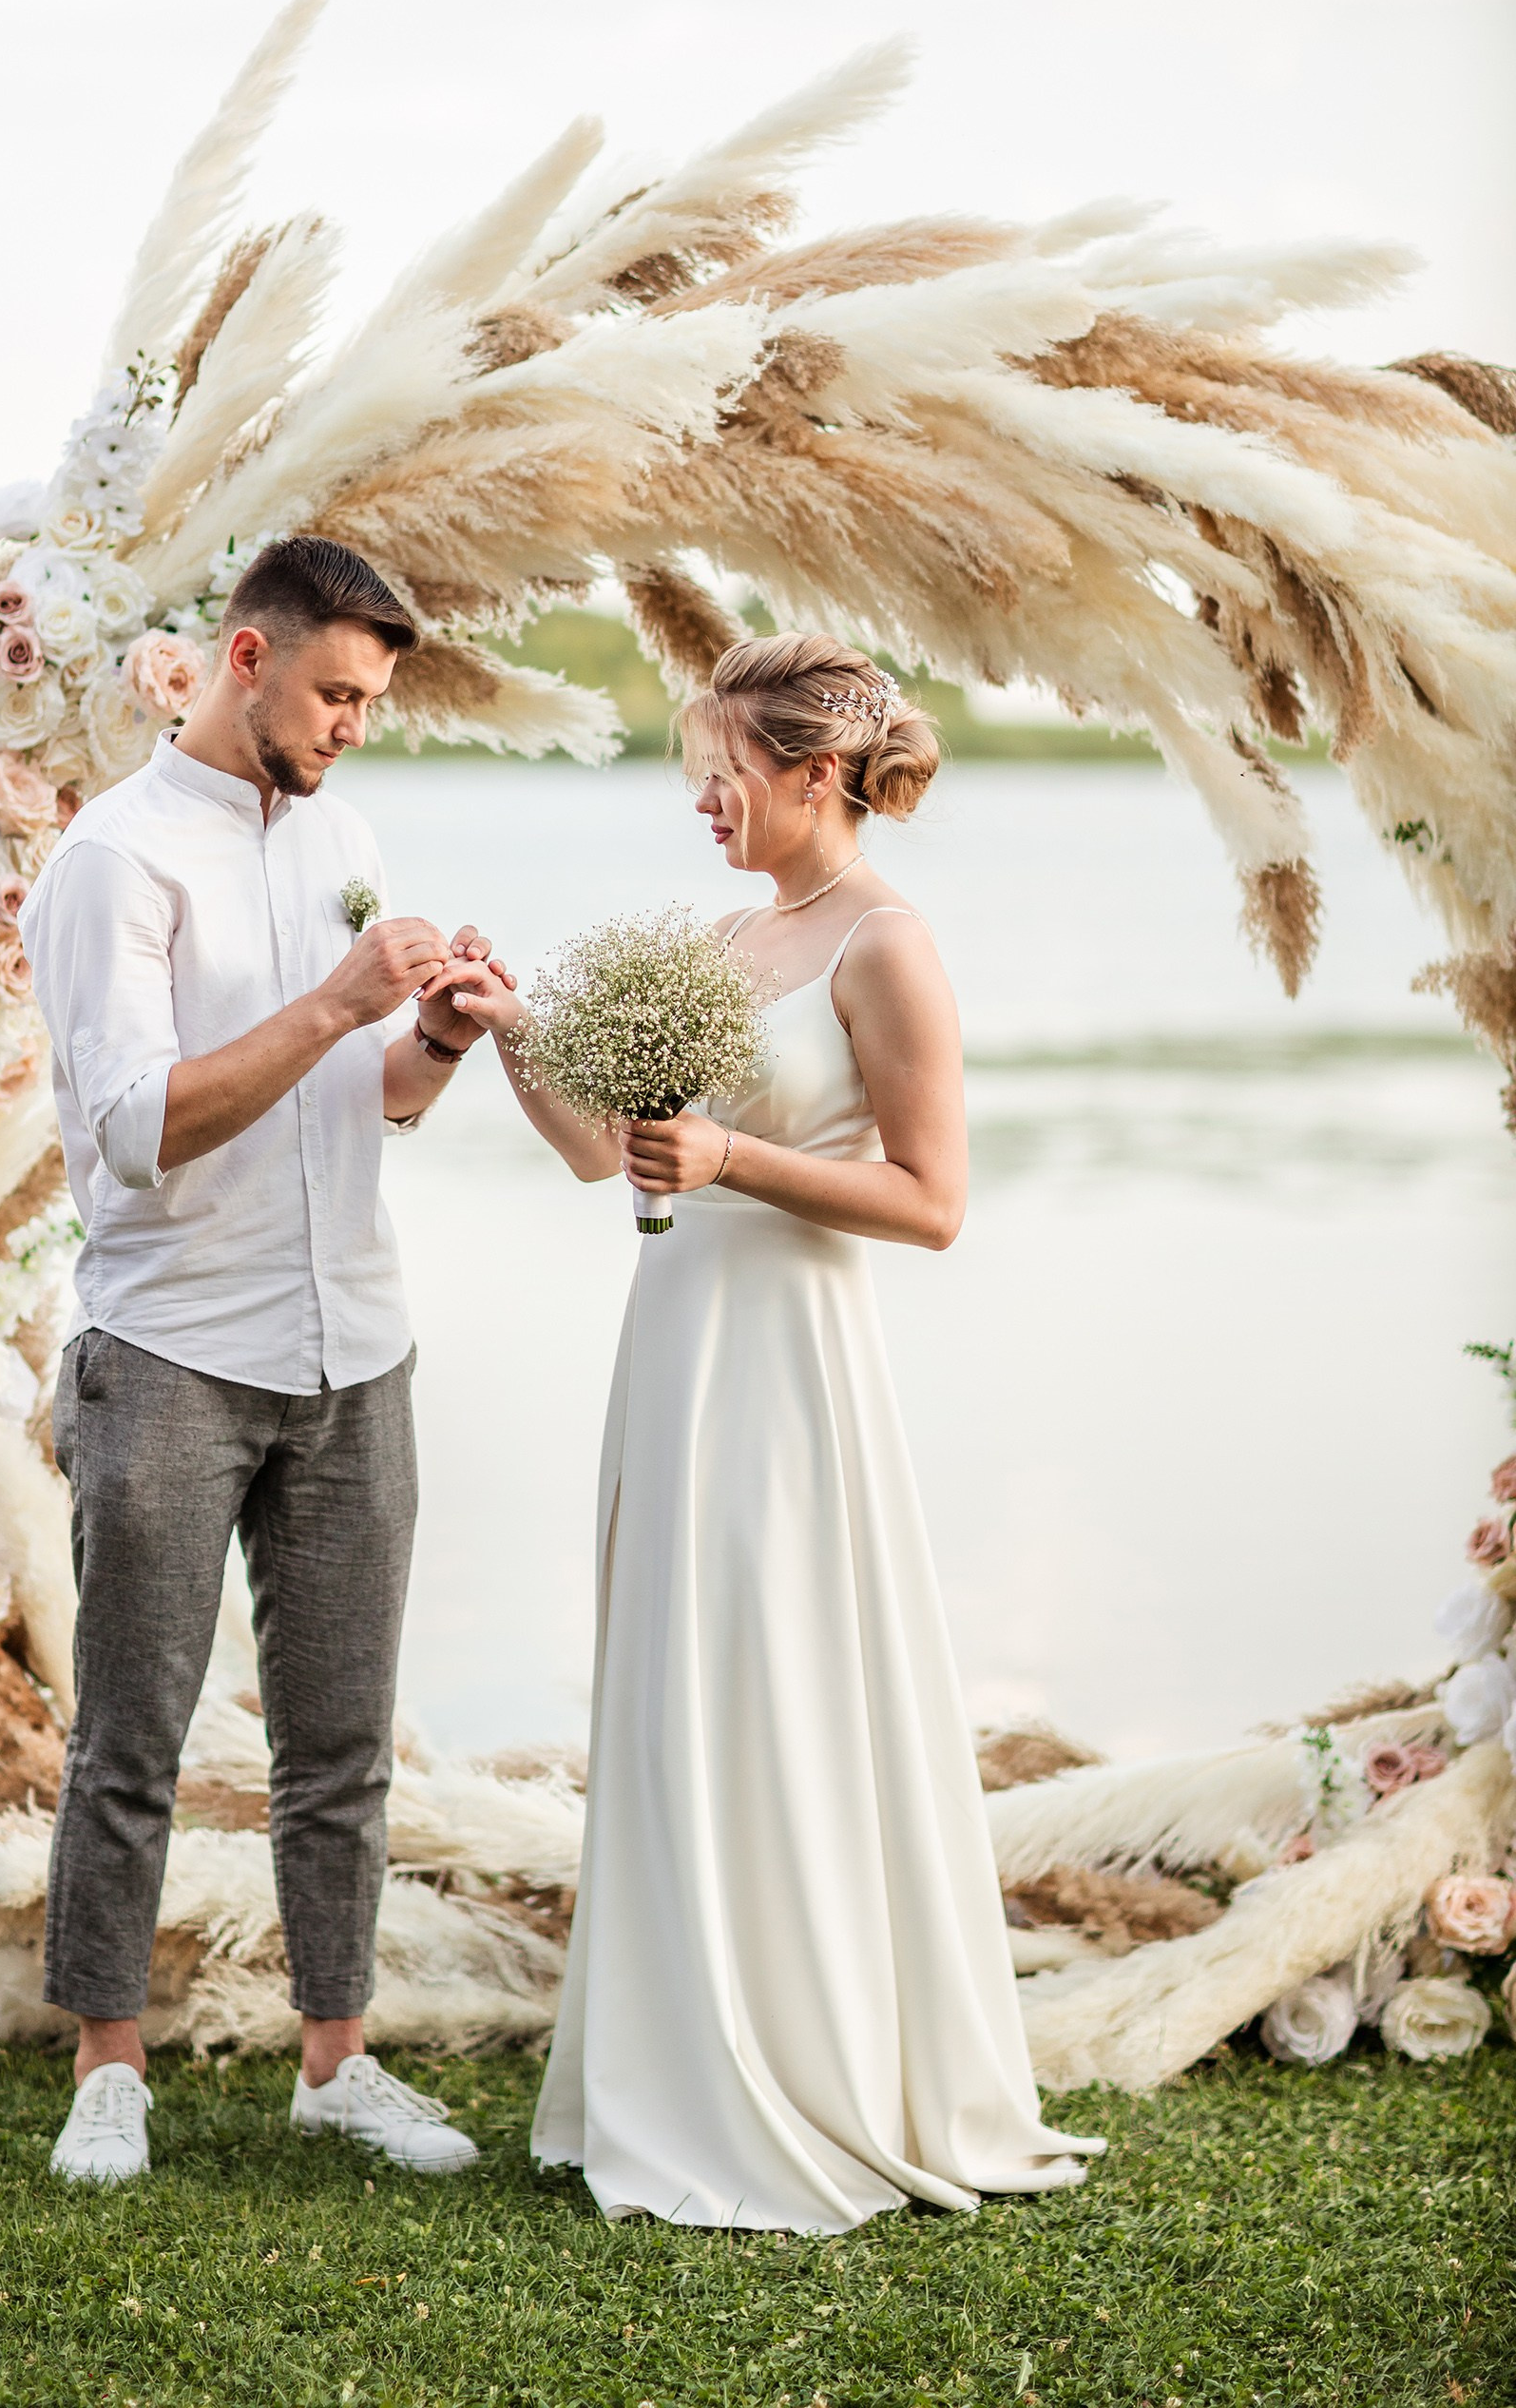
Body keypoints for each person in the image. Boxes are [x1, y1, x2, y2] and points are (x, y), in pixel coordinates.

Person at [451, 631, 1102, 2231]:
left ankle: (813, 2068)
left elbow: (934, 1202)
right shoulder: (741, 936)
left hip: (792, 1358)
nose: (703, 803)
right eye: (696, 778)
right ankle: (677, 2055)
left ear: (817, 774)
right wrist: (516, 1028)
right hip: (674, 1342)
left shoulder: (887, 943)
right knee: (677, 1681)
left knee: (784, 1677)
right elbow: (614, 1159)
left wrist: (736, 1161)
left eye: (725, 776)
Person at [22, 534, 507, 2186]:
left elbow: (361, 1101)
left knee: (342, 1739)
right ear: (245, 659)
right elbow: (134, 1131)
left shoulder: (348, 834)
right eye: (335, 693)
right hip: (170, 1349)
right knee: (132, 1732)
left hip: (356, 1343)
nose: (354, 726)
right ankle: (107, 2069)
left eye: (374, 701)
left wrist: (429, 1038)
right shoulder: (114, 860)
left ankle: (336, 2063)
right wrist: (332, 1001)